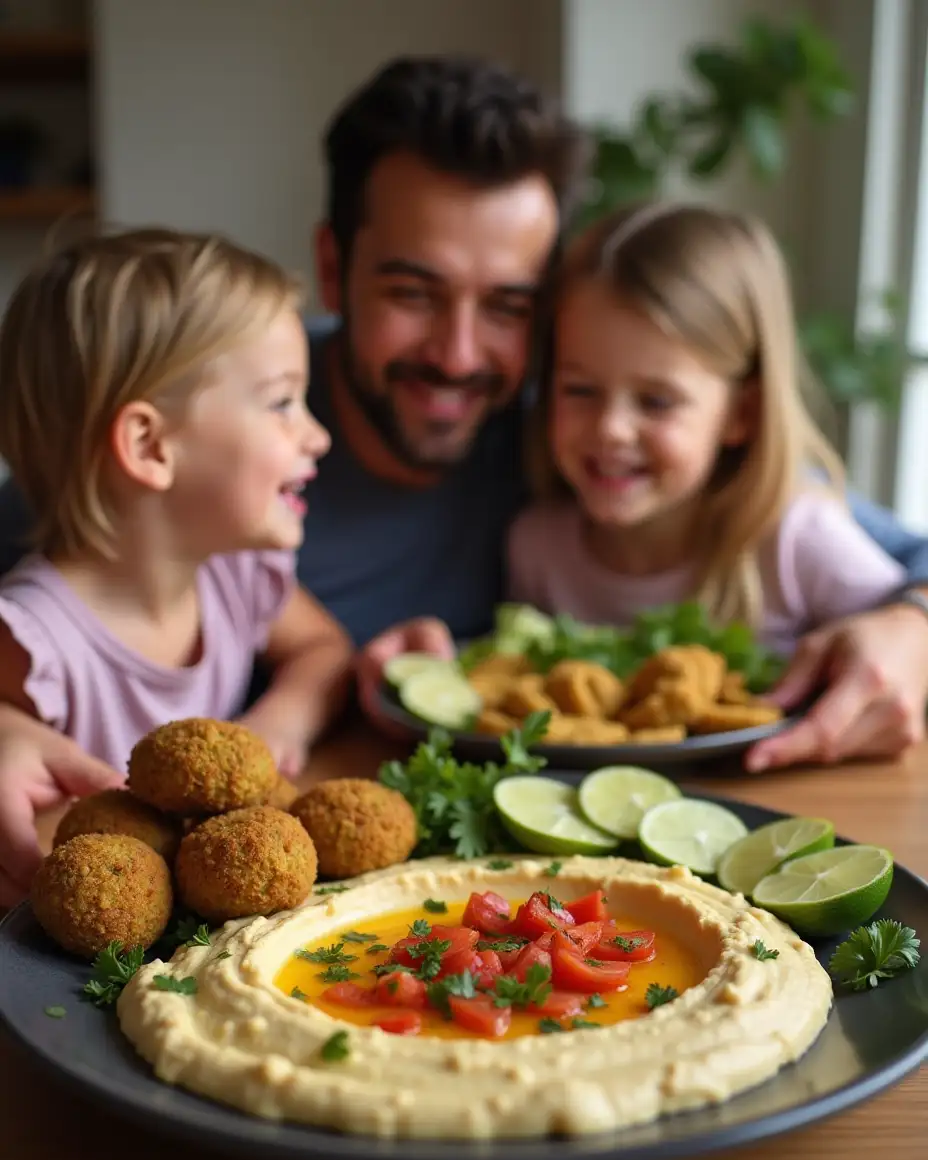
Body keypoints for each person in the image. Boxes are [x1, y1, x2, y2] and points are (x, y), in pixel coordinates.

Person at [0, 56, 926, 774]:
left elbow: (883, 553)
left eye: (508, 306)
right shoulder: (212, 415)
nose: (458, 353)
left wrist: (910, 627)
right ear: (334, 267)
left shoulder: (570, 428)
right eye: (414, 291)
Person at [0, 227, 353, 906]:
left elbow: (325, 649)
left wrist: (277, 725)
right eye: (283, 402)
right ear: (149, 444)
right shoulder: (36, 636)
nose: (317, 434)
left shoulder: (235, 573)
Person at [507, 200, 907, 683]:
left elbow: (902, 664)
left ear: (742, 413)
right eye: (580, 390)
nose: (610, 427)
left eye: (656, 401)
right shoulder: (535, 550)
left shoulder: (799, 541)